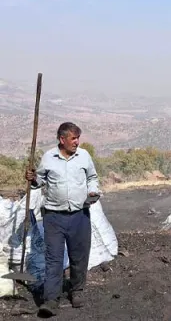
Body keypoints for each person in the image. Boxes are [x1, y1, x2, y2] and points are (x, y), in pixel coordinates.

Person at [25, 122, 101, 317]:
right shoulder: (49, 157)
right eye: (73, 138)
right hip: (53, 216)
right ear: (62, 139)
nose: (77, 142)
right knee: (54, 259)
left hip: (79, 215)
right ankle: (51, 300)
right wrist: (32, 178)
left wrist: (93, 190)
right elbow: (39, 181)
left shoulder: (83, 156)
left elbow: (92, 177)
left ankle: (77, 291)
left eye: (78, 138)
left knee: (79, 255)